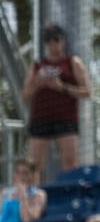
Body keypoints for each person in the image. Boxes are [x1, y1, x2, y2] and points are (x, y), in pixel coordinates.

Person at [22, 23, 91, 176]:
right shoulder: (37, 66)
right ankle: (32, 198)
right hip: (40, 118)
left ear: (63, 40)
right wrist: (38, 84)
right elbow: (25, 95)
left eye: (56, 39)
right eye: (49, 40)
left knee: (70, 163)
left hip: (66, 119)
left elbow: (87, 91)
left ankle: (72, 197)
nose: (53, 44)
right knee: (34, 165)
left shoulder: (73, 62)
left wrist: (62, 87)